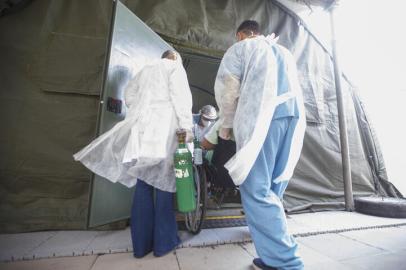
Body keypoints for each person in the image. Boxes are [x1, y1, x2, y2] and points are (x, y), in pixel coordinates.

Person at [73, 50, 193, 258]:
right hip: (164, 130)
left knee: (144, 184)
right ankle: (164, 243)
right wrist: (186, 128)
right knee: (164, 185)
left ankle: (141, 246)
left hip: (141, 131)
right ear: (175, 58)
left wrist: (142, 109)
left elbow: (129, 96)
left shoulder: (145, 70)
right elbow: (181, 99)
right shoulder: (174, 68)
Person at [214, 20, 306, 270]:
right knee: (274, 188)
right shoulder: (282, 50)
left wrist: (224, 130)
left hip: (263, 119)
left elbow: (228, 91)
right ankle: (270, 254)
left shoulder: (241, 49)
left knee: (256, 190)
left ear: (240, 34)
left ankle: (287, 263)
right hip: (292, 118)